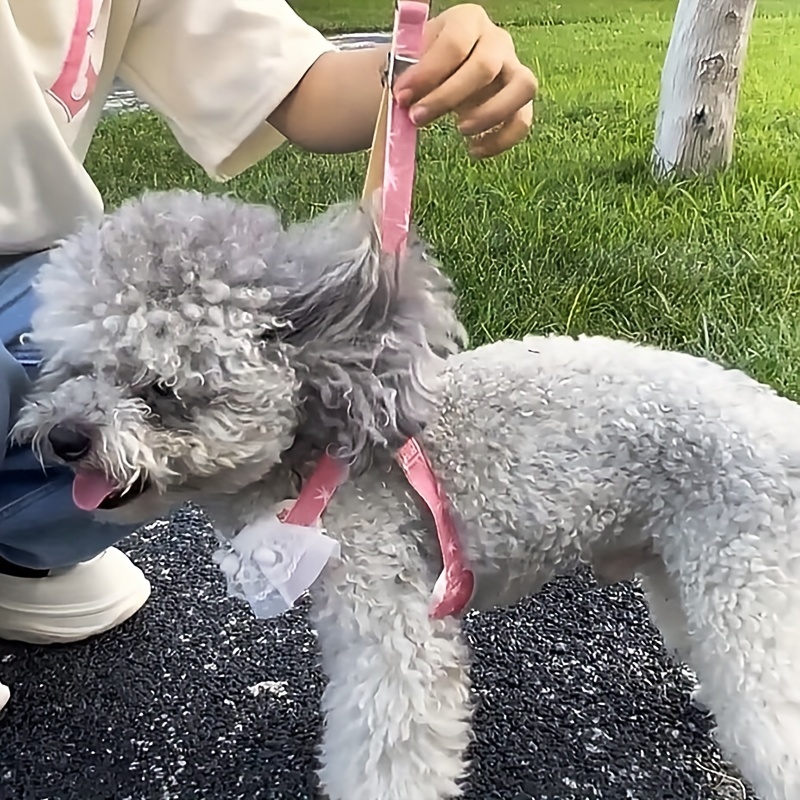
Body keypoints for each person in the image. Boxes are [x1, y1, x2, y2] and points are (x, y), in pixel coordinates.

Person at [0, 0, 537, 709]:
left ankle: (12, 556)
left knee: (169, 386)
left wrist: (420, 65)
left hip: (26, 262)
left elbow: (301, 85)